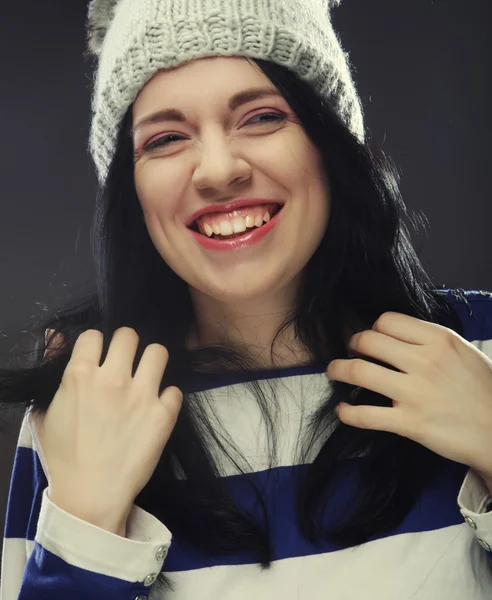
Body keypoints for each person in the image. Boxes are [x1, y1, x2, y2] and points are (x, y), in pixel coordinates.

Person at [1, 0, 491, 598]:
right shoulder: (84, 400)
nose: (217, 169)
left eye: (260, 117)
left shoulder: (479, 351)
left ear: (330, 143)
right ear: (131, 188)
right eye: (167, 137)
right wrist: (84, 527)